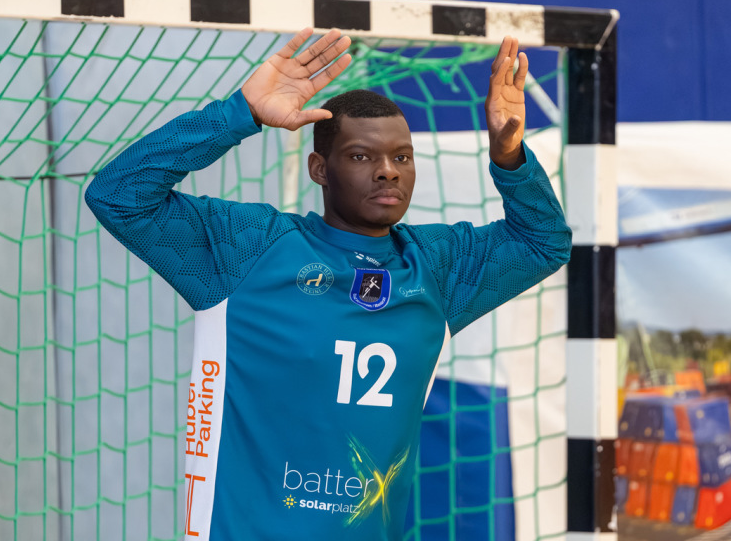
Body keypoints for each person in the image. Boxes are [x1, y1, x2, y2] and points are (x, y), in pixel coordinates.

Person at [84, 28, 571, 541]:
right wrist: (240, 113)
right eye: (362, 156)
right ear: (319, 168)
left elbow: (543, 242)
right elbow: (118, 195)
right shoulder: (247, 247)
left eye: (402, 157)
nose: (388, 172)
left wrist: (509, 154)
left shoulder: (436, 267)